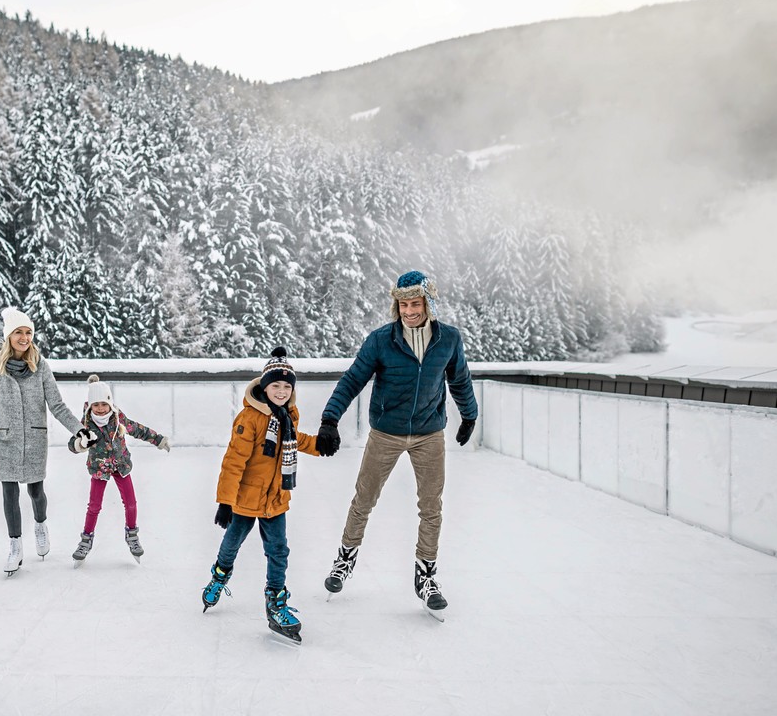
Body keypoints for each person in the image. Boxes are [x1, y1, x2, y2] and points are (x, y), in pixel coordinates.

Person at [316, 270, 478, 617]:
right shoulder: (381, 340)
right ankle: (344, 560)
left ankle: (426, 575)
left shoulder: (448, 339)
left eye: (415, 303)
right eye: (403, 304)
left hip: (429, 433)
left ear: (428, 304)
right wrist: (330, 419)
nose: (409, 311)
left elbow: (460, 381)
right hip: (386, 432)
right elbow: (353, 379)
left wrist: (470, 416)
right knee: (364, 499)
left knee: (431, 506)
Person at [200, 347, 335, 643]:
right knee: (232, 543)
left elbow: (294, 441)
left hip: (275, 500)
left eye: (287, 386)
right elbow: (233, 461)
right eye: (276, 385)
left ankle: (275, 601)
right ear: (264, 386)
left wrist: (319, 445)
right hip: (245, 500)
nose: (282, 391)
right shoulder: (249, 418)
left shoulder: (288, 416)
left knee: (278, 551)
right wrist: (225, 500)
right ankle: (220, 575)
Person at [0, 307, 89, 576]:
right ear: (8, 336)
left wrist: (78, 430)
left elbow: (56, 404)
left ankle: (40, 525)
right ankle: (15, 546)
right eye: (19, 332)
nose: (24, 337)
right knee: (9, 493)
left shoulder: (40, 366)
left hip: (34, 438)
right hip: (5, 439)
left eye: (28, 332)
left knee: (35, 492)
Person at [67, 374, 170, 564]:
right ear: (90, 406)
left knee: (131, 503)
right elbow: (72, 443)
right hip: (99, 469)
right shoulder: (86, 424)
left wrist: (158, 439)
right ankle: (86, 539)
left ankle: (132, 535)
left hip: (121, 465)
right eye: (95, 405)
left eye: (103, 404)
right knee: (94, 506)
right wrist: (80, 444)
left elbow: (138, 429)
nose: (100, 408)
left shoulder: (118, 419)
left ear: (110, 404)